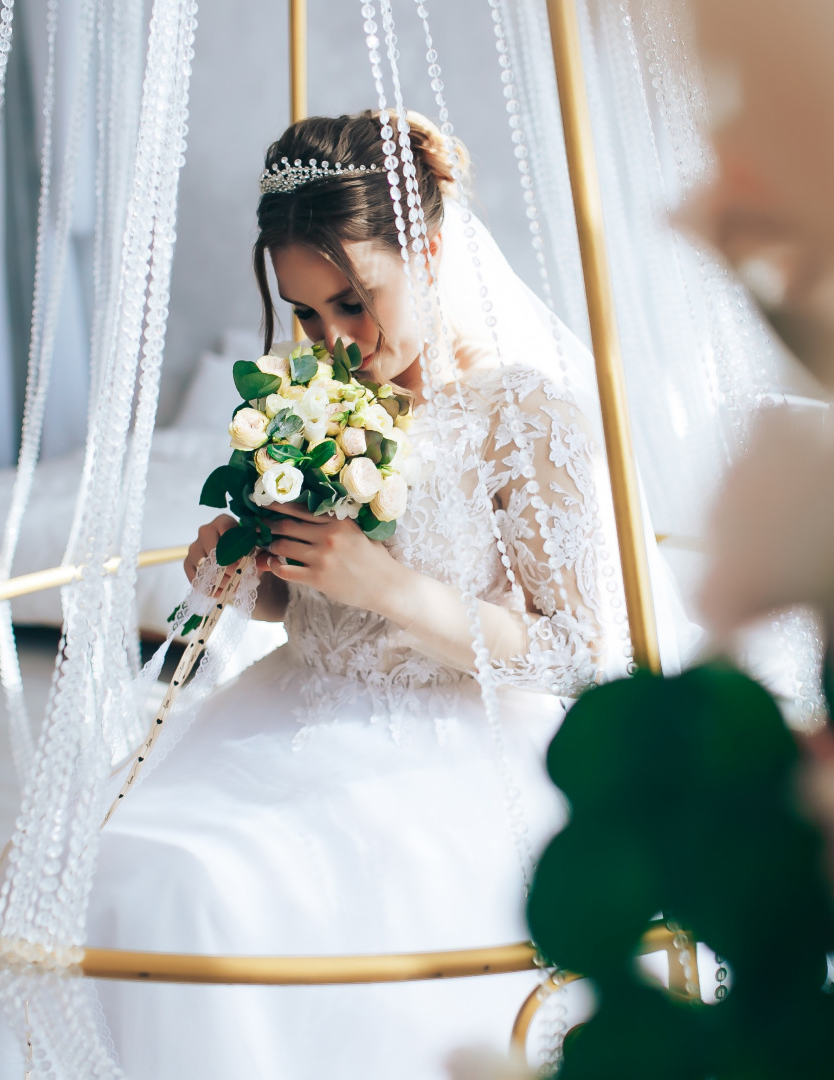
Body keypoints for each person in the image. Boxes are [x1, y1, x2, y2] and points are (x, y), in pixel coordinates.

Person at [77, 110, 628, 1078]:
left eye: (354, 301)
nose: (334, 341)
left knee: (206, 895)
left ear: (432, 249)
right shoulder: (312, 394)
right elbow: (301, 604)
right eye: (305, 313)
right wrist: (242, 572)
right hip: (283, 714)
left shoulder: (523, 412)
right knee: (119, 869)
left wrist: (395, 589)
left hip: (447, 744)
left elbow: (582, 650)